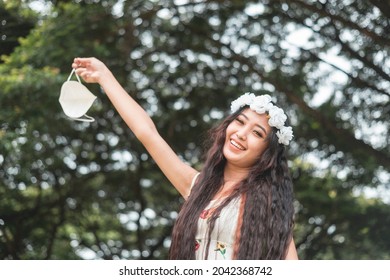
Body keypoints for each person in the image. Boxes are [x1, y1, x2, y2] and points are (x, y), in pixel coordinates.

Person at [72, 57, 298, 260]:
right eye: (240, 122)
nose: (241, 133)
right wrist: (104, 77)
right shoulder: (198, 187)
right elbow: (147, 133)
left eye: (257, 133)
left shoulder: (268, 206)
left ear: (267, 153)